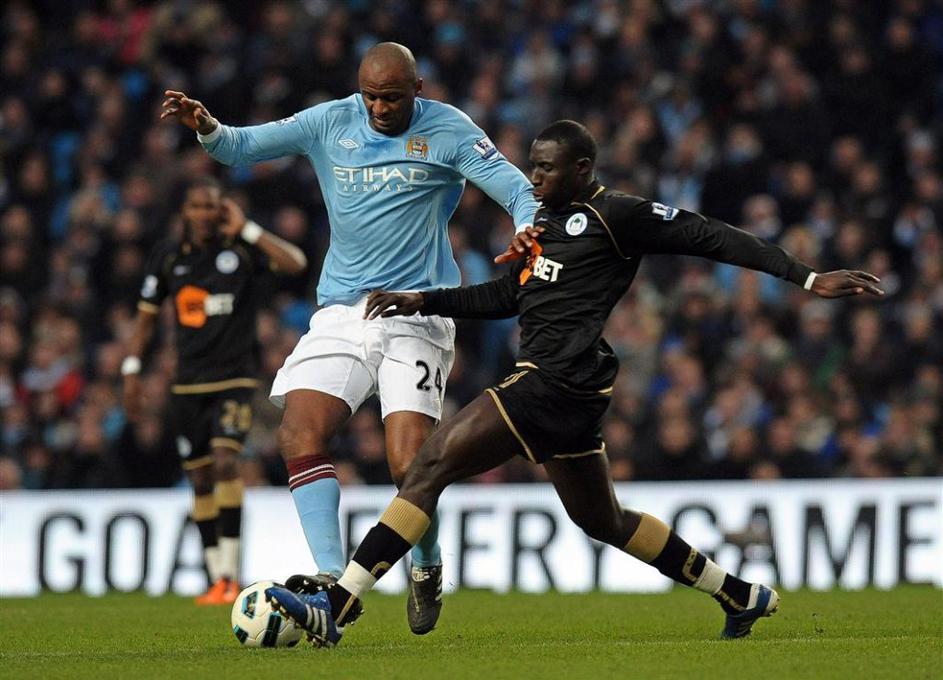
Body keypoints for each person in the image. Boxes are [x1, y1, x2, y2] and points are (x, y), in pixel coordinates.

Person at [263, 120, 885, 645]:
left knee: (427, 466)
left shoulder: (618, 215)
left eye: (546, 168)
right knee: (603, 519)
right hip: (571, 390)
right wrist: (422, 299)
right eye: (531, 166)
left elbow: (709, 236)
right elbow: (505, 296)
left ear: (582, 168)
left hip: (552, 381)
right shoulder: (542, 228)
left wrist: (806, 277)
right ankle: (739, 594)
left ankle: (337, 603)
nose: (533, 178)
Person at [159, 43, 538, 632]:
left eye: (392, 98)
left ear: (417, 89)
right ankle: (332, 580)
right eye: (371, 97)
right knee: (297, 432)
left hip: (417, 311)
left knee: (410, 466)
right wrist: (207, 126)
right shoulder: (330, 120)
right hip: (342, 312)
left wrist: (527, 228)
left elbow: (516, 189)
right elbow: (241, 147)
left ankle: (427, 562)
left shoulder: (449, 129)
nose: (380, 109)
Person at [123, 177, 307, 604]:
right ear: (185, 211)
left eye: (212, 206)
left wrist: (248, 229)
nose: (204, 214)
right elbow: (145, 319)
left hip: (234, 379)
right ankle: (216, 577)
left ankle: (229, 574)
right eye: (197, 206)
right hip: (187, 383)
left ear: (223, 210)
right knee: (200, 477)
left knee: (226, 462)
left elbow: (296, 263)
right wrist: (131, 370)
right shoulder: (168, 257)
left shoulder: (241, 251)